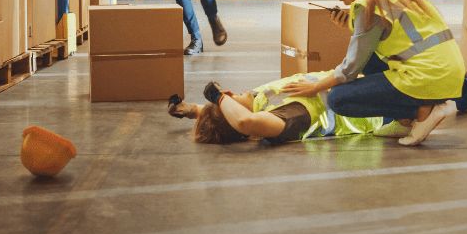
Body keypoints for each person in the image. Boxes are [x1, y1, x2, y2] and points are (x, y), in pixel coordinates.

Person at [281, 0, 467, 147]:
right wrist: (350, 24)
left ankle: (421, 111)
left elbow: (349, 70)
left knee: (339, 99)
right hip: (446, 71)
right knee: (370, 59)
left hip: (428, 76)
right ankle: (405, 121)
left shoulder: (369, 6)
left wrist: (315, 86)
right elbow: (386, 36)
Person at [167, 71, 400, 144]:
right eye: (228, 99)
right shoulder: (288, 115)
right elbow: (244, 123)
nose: (230, 93)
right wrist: (217, 97)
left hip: (367, 83)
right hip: (383, 108)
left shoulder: (260, 99)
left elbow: (231, 120)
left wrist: (194, 110)